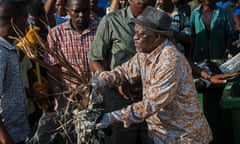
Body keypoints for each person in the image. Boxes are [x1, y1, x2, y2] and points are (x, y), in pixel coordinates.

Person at [94, 6, 213, 143]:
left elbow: (151, 104)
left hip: (184, 136)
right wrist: (101, 80)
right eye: (135, 33)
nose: (135, 38)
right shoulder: (145, 53)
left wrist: (111, 118)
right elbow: (124, 71)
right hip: (164, 136)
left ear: (157, 37)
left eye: (141, 34)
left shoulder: (170, 61)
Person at [88, 0, 156, 143]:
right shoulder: (111, 21)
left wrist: (205, 74)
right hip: (119, 100)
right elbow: (94, 59)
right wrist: (114, 82)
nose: (147, 9)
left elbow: (173, 54)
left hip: (151, 99)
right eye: (142, 5)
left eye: (151, 4)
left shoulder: (157, 21)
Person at [190, 0, 235, 143]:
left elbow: (229, 33)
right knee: (205, 90)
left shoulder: (222, 12)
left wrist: (227, 50)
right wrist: (191, 59)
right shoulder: (195, 13)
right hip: (201, 59)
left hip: (219, 57)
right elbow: (192, 37)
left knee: (220, 87)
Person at [46, 0, 98, 109]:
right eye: (77, 11)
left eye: (85, 11)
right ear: (68, 10)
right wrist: (59, 96)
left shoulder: (100, 30)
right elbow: (52, 68)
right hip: (69, 98)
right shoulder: (56, 34)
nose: (82, 15)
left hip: (97, 95)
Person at [0, 1, 30, 144]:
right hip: (8, 135)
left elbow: (7, 86)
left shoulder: (10, 49)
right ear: (14, 21)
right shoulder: (0, 53)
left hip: (19, 132)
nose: (28, 26)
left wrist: (28, 93)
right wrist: (5, 139)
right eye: (25, 20)